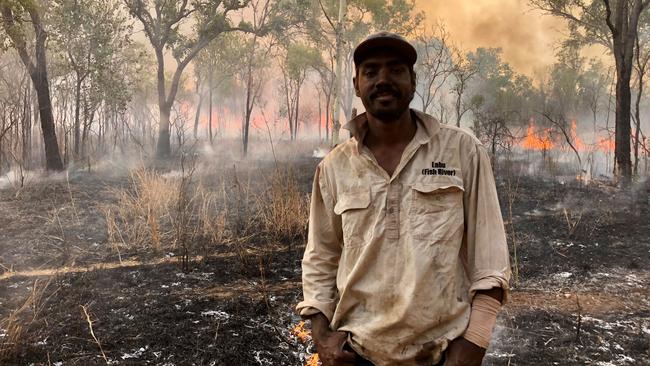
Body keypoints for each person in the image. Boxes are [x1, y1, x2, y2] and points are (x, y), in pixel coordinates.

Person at [296, 31, 511, 366]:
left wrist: (475, 343)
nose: (383, 80)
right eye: (371, 71)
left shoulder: (461, 151)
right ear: (356, 84)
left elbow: (491, 260)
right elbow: (320, 258)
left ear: (413, 80)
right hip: (358, 354)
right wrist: (322, 336)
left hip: (442, 354)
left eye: (396, 70)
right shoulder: (334, 167)